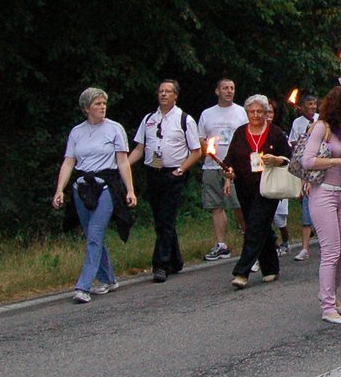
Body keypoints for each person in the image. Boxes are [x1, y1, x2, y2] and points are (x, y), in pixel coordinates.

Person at [52, 87, 138, 303]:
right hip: (82, 186)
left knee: (95, 233)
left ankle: (83, 286)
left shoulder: (115, 129)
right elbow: (69, 161)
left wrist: (130, 190)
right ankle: (109, 278)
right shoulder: (76, 132)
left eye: (104, 104)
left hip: (106, 186)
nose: (102, 107)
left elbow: (122, 161)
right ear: (86, 108)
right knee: (91, 234)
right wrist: (59, 190)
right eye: (98, 104)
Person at [127, 79, 201, 283]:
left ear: (175, 95)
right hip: (154, 172)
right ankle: (175, 259)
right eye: (161, 91)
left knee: (166, 218)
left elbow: (196, 151)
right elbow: (139, 149)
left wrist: (181, 169)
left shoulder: (185, 119)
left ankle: (161, 264)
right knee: (161, 219)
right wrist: (123, 166)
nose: (164, 95)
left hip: (173, 173)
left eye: (168, 91)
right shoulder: (149, 119)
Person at [301, 85, 341, 324]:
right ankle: (328, 305)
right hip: (324, 193)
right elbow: (307, 161)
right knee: (331, 251)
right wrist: (338, 160)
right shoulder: (321, 128)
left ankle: (331, 292)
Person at [223, 95, 292, 290]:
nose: (255, 115)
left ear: (266, 113)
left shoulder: (276, 133)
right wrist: (228, 174)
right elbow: (230, 160)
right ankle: (270, 268)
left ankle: (241, 272)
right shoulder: (239, 133)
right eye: (252, 112)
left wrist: (277, 160)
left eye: (259, 111)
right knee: (261, 227)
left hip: (269, 187)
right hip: (245, 186)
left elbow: (289, 158)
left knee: (254, 226)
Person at [197, 78, 247, 262]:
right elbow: (201, 138)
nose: (229, 91)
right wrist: (205, 148)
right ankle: (221, 244)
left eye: (232, 88)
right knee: (216, 206)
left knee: (239, 205)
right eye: (225, 88)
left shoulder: (241, 112)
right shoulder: (207, 114)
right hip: (212, 165)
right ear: (217, 91)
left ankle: (248, 239)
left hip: (234, 166)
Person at [289, 92, 319, 261]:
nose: (313, 107)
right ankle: (305, 248)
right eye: (309, 105)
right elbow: (294, 143)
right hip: (304, 166)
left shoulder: (320, 119)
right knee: (306, 206)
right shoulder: (298, 123)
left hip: (319, 165)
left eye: (315, 104)